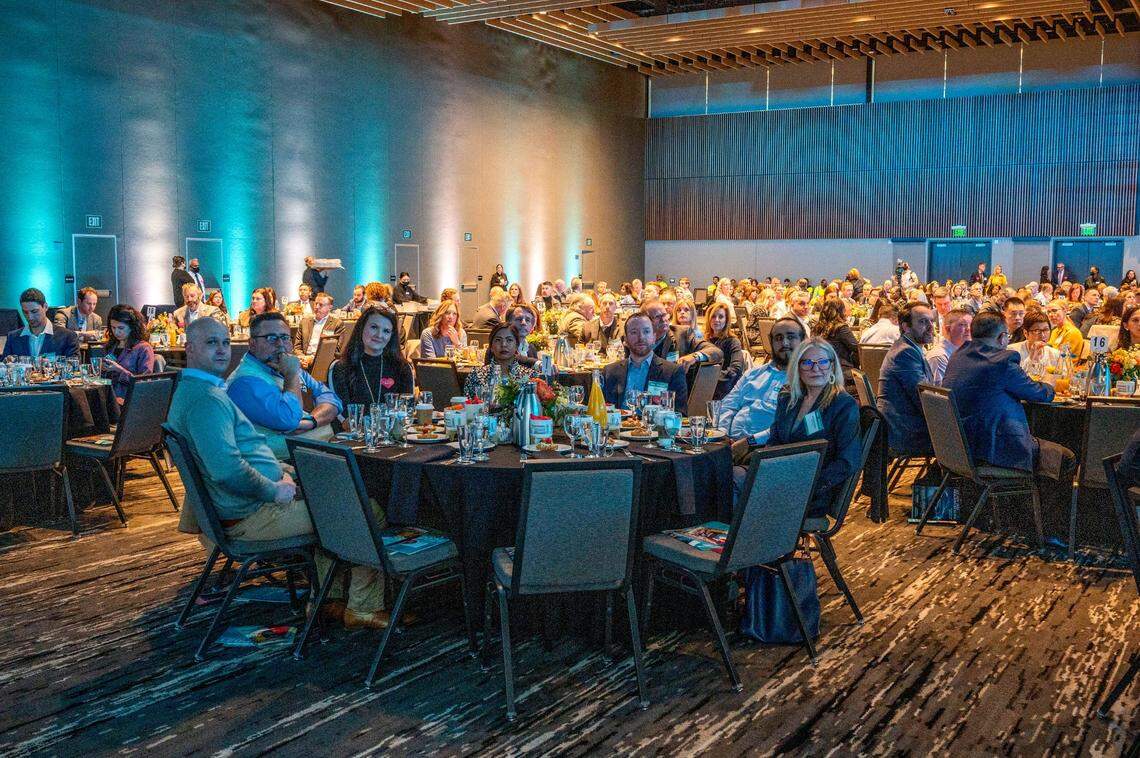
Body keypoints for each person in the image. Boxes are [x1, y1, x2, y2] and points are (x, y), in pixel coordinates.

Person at [171, 318, 386, 629]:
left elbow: (244, 453)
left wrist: (282, 471)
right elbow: (228, 470)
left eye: (224, 342)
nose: (220, 350)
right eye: (210, 343)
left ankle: (330, 600)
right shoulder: (209, 400)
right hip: (252, 515)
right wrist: (276, 489)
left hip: (246, 503)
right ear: (189, 348)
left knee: (337, 496)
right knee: (367, 509)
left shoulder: (198, 390)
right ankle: (362, 608)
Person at [942, 312, 1076, 510]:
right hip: (995, 448)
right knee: (1065, 457)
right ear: (1002, 337)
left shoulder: (958, 355)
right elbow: (1040, 394)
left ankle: (1015, 512)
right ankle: (1047, 526)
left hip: (959, 446)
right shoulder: (1001, 362)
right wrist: (1049, 381)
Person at [227, 312, 343, 460]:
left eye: (285, 338)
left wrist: (312, 421)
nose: (280, 344)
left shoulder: (286, 365)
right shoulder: (245, 381)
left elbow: (332, 399)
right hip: (282, 468)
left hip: (318, 455)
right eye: (271, 338)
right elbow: (289, 419)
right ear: (252, 344)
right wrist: (292, 374)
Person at [767, 338, 861, 518]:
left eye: (823, 362)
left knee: (739, 498)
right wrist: (768, 470)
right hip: (780, 478)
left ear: (832, 366)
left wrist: (805, 485)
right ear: (798, 367)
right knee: (730, 480)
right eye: (808, 362)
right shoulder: (788, 397)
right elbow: (775, 440)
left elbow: (848, 461)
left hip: (814, 490)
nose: (816, 369)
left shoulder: (842, 405)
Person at [718, 317, 804, 445]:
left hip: (765, 449)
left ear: (803, 341)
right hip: (729, 443)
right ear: (771, 341)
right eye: (779, 338)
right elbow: (728, 406)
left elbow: (788, 426)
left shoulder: (804, 381)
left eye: (791, 337)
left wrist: (749, 443)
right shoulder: (753, 374)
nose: (785, 343)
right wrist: (722, 434)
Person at [876, 301, 936, 458]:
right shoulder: (905, 353)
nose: (931, 327)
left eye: (932, 321)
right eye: (923, 322)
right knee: (967, 434)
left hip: (904, 424)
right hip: (905, 433)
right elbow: (924, 398)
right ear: (906, 327)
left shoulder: (907, 348)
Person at [601, 312, 688, 413]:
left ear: (654, 337)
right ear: (625, 339)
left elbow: (680, 414)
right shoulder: (609, 372)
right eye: (634, 332)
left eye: (646, 331)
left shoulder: (672, 372)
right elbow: (601, 411)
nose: (641, 337)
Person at [329, 306, 413, 407]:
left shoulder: (402, 368)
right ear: (361, 328)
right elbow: (341, 413)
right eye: (374, 327)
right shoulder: (341, 367)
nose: (379, 335)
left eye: (386, 331)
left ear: (391, 336)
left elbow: (407, 408)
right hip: (354, 423)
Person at [642, 299, 722, 368]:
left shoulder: (683, 334)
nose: (663, 319)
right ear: (645, 320)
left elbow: (716, 351)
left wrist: (694, 356)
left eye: (664, 315)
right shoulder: (638, 339)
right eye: (657, 317)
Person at [2, 288, 78, 360]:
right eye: (25, 312)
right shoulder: (13, 337)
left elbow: (74, 370)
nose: (30, 317)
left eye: (34, 311)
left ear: (45, 307)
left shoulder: (67, 337)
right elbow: (4, 367)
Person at [101, 304, 156, 403]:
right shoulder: (111, 346)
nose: (116, 332)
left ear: (132, 327)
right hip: (108, 396)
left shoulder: (143, 348)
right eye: (113, 328)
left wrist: (119, 370)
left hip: (129, 400)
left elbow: (145, 382)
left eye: (121, 328)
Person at [464, 323, 533, 397]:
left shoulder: (529, 377)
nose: (503, 344)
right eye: (498, 340)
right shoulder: (476, 375)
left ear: (517, 346)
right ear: (491, 347)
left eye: (509, 340)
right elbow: (466, 405)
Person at [293, 292, 345, 370]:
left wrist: (312, 358)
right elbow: (297, 347)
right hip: (303, 361)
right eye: (316, 304)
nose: (317, 307)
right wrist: (302, 359)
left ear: (330, 307)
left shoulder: (337, 324)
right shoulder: (304, 322)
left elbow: (335, 351)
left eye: (321, 305)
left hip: (323, 363)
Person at [704, 301, 745, 399]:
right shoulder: (703, 340)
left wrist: (711, 377)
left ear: (726, 320)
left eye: (721, 317)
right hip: (703, 386)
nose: (716, 320)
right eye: (713, 316)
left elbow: (736, 369)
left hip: (723, 389)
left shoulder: (733, 341)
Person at [815, 300, 859, 382]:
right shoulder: (841, 328)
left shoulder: (817, 327)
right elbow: (857, 348)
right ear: (841, 311)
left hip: (820, 368)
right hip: (840, 369)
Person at [925, 308, 972, 385]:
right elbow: (942, 392)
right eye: (963, 325)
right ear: (948, 329)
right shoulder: (939, 357)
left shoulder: (965, 349)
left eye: (971, 324)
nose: (969, 329)